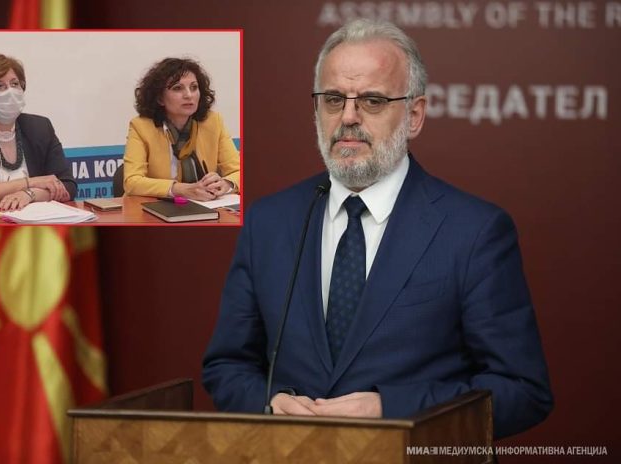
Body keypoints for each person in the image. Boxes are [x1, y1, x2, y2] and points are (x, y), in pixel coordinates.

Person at [202, 19, 553, 439]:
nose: (348, 118)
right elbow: (227, 366)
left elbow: (522, 391)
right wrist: (269, 403)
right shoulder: (269, 222)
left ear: (414, 115)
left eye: (372, 101)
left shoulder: (475, 231)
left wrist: (392, 410)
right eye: (334, 99)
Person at [0, 53, 76, 224]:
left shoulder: (40, 127)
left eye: (15, 84)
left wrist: (29, 194)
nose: (10, 92)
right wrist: (32, 182)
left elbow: (68, 186)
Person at [122, 58, 240, 200]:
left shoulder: (213, 122)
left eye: (194, 87)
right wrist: (180, 189)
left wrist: (227, 183)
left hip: (205, 205)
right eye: (177, 88)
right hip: (156, 206)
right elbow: (132, 181)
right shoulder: (141, 127)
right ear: (160, 98)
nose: (189, 95)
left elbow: (239, 171)